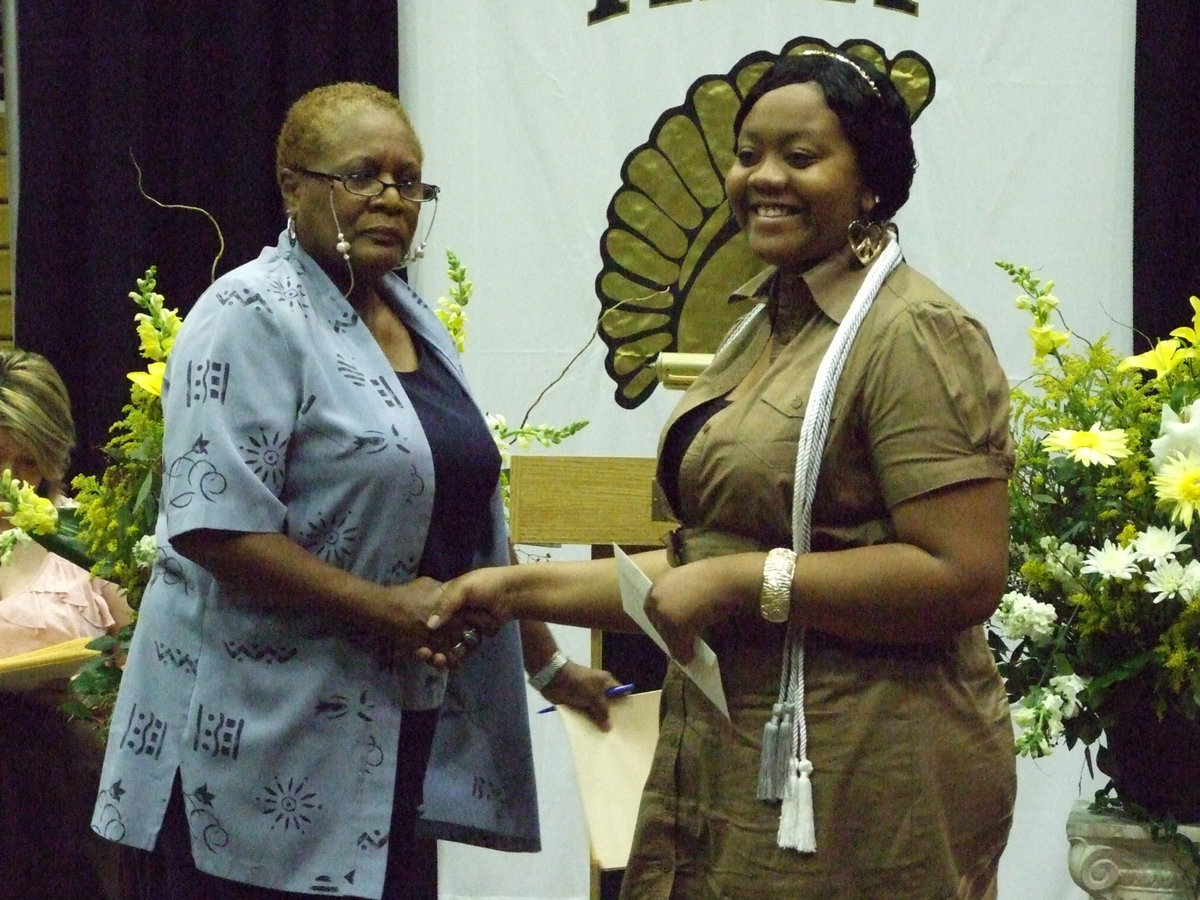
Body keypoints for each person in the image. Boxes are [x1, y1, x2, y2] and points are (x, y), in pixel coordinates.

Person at [430, 51, 1017, 899]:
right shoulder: (768, 324)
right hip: (727, 754)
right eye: (748, 154)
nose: (763, 177)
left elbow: (962, 575)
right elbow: (703, 562)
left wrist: (746, 583)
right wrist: (514, 592)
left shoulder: (911, 331)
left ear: (871, 186)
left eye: (801, 157)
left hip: (862, 776)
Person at [89, 81, 616, 900]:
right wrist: (388, 612)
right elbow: (213, 529)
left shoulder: (410, 317)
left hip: (387, 730)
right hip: (260, 742)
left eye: (410, 182)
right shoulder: (248, 314)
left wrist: (550, 669)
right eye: (363, 175)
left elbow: (466, 509)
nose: (391, 199)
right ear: (293, 185)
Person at [0, 348, 133, 899]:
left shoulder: (93, 537)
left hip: (74, 789)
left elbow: (143, 658)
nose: (10, 481)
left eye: (27, 461)